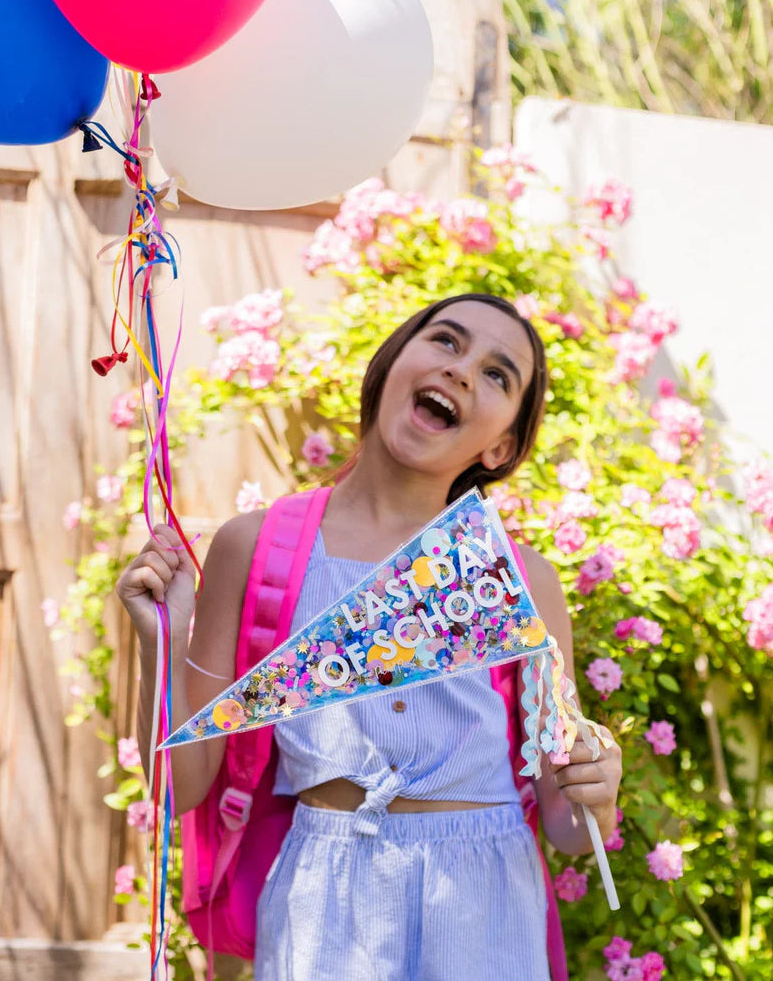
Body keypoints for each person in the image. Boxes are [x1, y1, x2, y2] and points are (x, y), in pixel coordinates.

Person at [116, 293, 622, 981]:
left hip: (485, 908)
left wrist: (595, 790)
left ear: (501, 444)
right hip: (321, 908)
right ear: (392, 365)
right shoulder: (254, 547)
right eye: (445, 341)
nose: (464, 370)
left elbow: (567, 829)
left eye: (498, 374)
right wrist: (163, 640)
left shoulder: (519, 579)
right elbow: (181, 788)